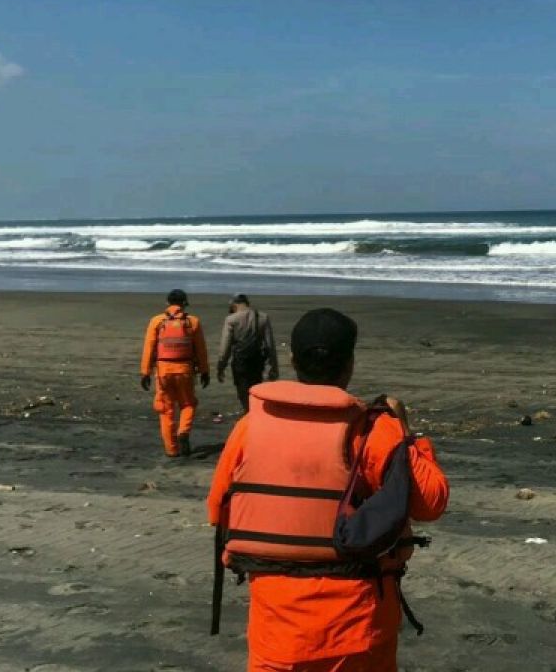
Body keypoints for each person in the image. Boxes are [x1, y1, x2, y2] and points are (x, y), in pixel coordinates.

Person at [207, 308, 449, 672]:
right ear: (349, 364)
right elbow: (431, 502)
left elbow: (219, 510)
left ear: (292, 360)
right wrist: (405, 432)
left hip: (277, 633)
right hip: (358, 631)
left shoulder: (249, 428)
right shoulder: (373, 430)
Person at [140, 288, 210, 458]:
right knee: (188, 404)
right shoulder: (192, 322)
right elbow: (201, 349)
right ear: (185, 303)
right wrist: (204, 371)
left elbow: (149, 347)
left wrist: (145, 372)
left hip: (164, 371)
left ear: (167, 303)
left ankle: (172, 450)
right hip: (185, 370)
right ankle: (183, 431)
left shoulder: (157, 321)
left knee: (166, 409)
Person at [216, 294, 278, 413]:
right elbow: (270, 345)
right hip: (257, 361)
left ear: (235, 305)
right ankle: (254, 412)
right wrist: (274, 367)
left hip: (240, 361)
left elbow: (225, 347)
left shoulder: (231, 319)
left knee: (243, 392)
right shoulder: (263, 317)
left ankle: (248, 414)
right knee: (255, 390)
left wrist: (221, 367)